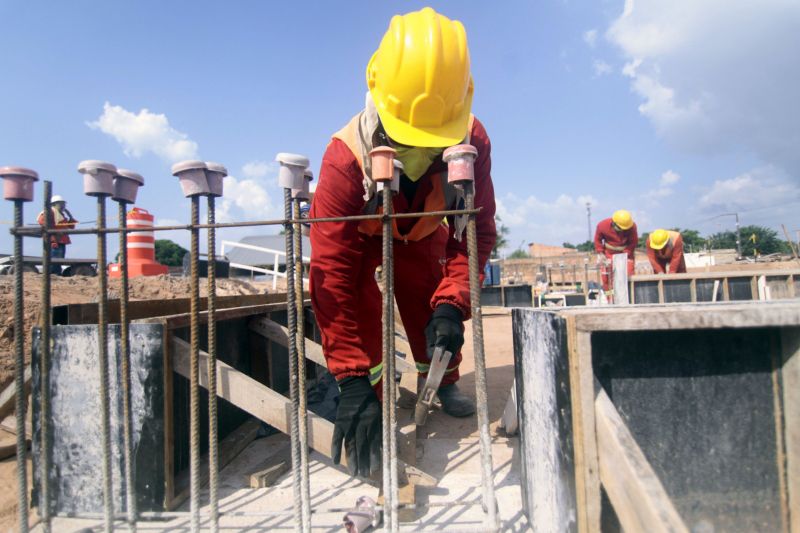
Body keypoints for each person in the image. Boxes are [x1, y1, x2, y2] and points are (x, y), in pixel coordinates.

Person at [309, 7, 496, 477]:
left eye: (432, 143)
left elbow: (477, 230)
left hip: (425, 232)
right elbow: (331, 271)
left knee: (428, 306)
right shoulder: (344, 158)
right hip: (366, 238)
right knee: (359, 304)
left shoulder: (471, 142)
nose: (420, 154)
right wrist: (350, 378)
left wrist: (454, 302)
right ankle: (369, 396)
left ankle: (443, 380)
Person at [594, 209, 638, 290]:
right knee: (607, 277)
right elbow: (598, 240)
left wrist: (625, 254)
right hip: (608, 254)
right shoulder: (602, 225)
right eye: (621, 228)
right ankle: (610, 298)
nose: (623, 230)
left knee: (629, 274)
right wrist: (601, 253)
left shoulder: (631, 226)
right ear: (614, 224)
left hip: (626, 253)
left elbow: (633, 242)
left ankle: (630, 297)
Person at [37, 195, 77, 271]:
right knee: (54, 260)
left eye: (63, 204)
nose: (63, 206)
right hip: (53, 241)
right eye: (61, 204)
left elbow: (71, 226)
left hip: (61, 241)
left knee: (59, 260)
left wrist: (70, 216)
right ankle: (53, 275)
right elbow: (41, 220)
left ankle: (56, 274)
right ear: (54, 204)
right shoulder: (50, 212)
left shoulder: (60, 215)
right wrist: (54, 231)